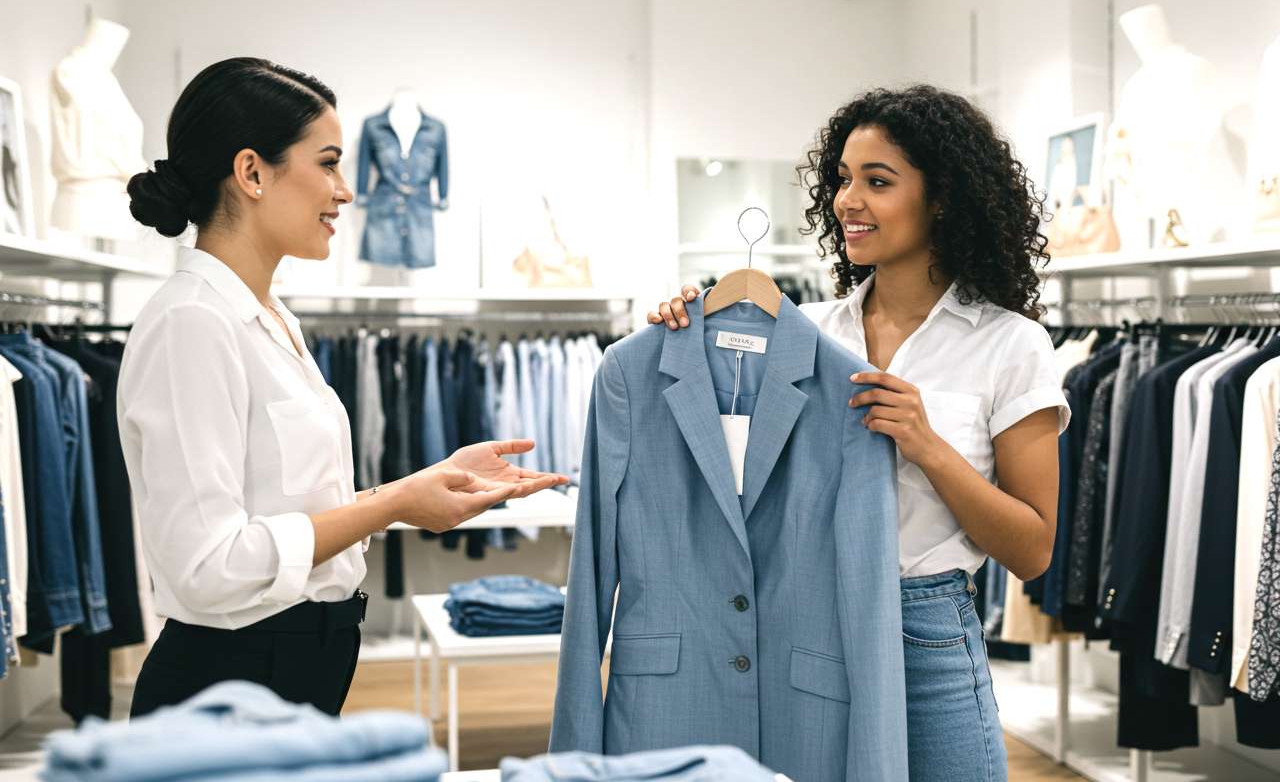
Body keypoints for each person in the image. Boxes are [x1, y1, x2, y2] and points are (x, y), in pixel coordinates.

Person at [119, 58, 566, 718]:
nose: (347, 191)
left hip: (294, 668)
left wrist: (412, 488)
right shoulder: (194, 321)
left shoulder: (271, 320)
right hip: (231, 687)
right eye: (328, 163)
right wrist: (392, 506)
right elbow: (210, 567)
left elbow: (281, 506)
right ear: (251, 173)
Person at [649, 85, 1070, 782]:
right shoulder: (801, 334)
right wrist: (687, 339)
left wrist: (927, 446)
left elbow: (1032, 550)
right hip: (800, 619)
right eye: (843, 179)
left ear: (942, 199)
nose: (848, 200)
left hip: (925, 636)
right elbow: (716, 471)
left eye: (877, 181)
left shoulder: (1012, 344)